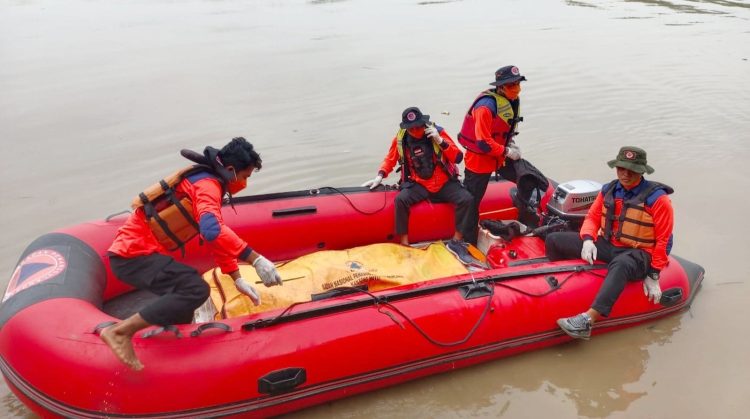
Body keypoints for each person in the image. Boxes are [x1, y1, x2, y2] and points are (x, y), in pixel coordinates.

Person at [101, 137, 283, 370]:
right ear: (230, 170)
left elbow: (215, 237)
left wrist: (236, 277)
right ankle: (119, 332)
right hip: (133, 255)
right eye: (245, 176)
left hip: (135, 255)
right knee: (195, 288)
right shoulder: (207, 186)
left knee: (184, 298)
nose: (245, 183)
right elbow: (212, 231)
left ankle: (174, 354)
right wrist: (254, 258)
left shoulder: (207, 182)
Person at [545, 146, 674, 340]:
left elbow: (665, 239)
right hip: (610, 244)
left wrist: (654, 274)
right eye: (621, 168)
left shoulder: (658, 199)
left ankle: (587, 321)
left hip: (639, 253)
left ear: (641, 171)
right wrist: (588, 239)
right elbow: (592, 217)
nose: (625, 174)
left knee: (621, 264)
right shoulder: (609, 190)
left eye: (631, 170)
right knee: (554, 239)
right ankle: (556, 292)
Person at [361, 107, 478, 264]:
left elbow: (457, 157)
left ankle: (456, 242)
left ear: (424, 122)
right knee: (401, 200)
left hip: (443, 182)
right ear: (405, 128)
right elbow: (390, 159)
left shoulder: (437, 132)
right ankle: (404, 244)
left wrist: (440, 141)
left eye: (418, 126)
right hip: (420, 184)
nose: (416, 130)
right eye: (411, 128)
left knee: (467, 199)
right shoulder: (400, 139)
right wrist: (380, 175)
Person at [458, 65, 549, 243]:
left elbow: (503, 130)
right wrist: (507, 151)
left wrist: (511, 145)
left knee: (530, 178)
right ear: (501, 87)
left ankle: (526, 218)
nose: (516, 89)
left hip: (501, 156)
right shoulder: (485, 107)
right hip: (480, 161)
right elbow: (483, 142)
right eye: (511, 86)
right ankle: (467, 242)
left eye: (517, 84)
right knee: (471, 203)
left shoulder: (511, 100)